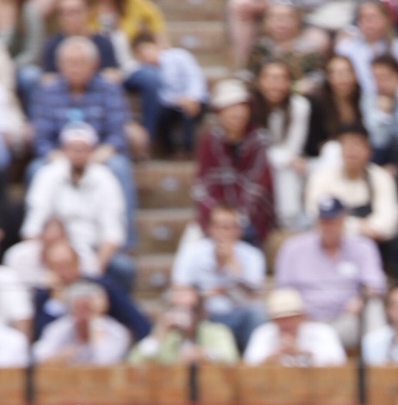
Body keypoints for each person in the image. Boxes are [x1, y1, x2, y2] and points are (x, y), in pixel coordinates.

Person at [28, 35, 136, 236]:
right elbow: (41, 140)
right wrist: (62, 157)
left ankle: (123, 241)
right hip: (60, 156)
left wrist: (95, 156)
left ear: (94, 64)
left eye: (81, 63)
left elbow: (117, 134)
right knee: (36, 169)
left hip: (98, 155)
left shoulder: (109, 89)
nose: (75, 68)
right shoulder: (47, 92)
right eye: (70, 62)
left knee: (119, 167)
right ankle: (41, 237)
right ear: (59, 65)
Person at [22, 122, 130, 290]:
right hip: (55, 252)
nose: (78, 154)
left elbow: (113, 233)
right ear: (64, 150)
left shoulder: (106, 178)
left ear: (92, 151)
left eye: (83, 149)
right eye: (74, 149)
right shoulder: (47, 175)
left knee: (124, 268)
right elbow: (33, 227)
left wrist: (95, 270)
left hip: (94, 250)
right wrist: (51, 261)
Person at [274, 196, 387, 350]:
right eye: (324, 221)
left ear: (343, 220)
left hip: (346, 319)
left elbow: (375, 285)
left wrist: (361, 298)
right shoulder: (293, 248)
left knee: (374, 306)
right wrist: (298, 315)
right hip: (305, 322)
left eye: (333, 221)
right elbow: (283, 291)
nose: (328, 227)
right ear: (317, 222)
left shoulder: (362, 247)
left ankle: (378, 360)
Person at [171, 203, 267, 353]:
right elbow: (180, 290)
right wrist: (205, 297)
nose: (223, 233)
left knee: (257, 312)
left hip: (238, 314)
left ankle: (252, 362)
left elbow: (255, 297)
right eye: (219, 227)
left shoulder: (252, 255)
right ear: (210, 228)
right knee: (182, 313)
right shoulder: (191, 252)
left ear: (239, 230)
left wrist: (232, 262)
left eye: (229, 227)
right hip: (202, 314)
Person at [194, 78, 276, 246]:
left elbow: (260, 188)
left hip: (251, 219)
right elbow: (204, 184)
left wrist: (235, 221)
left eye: (241, 107)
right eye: (230, 108)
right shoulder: (210, 140)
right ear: (219, 112)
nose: (237, 114)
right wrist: (219, 219)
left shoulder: (258, 140)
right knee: (195, 247)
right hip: (216, 218)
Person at [32, 238, 151, 341]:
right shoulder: (43, 296)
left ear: (77, 263)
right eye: (57, 266)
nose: (63, 272)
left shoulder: (102, 287)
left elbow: (135, 319)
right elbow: (41, 338)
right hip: (63, 355)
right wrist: (56, 301)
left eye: (67, 265)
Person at [303, 124, 398, 245]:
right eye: (346, 145)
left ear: (369, 151)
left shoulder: (381, 177)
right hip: (333, 244)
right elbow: (315, 213)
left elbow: (389, 218)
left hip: (373, 243)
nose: (351, 151)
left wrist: (370, 230)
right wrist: (358, 228)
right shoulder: (322, 178)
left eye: (357, 145)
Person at [250, 56, 310, 232]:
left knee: (289, 171)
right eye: (270, 78)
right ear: (259, 81)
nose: (275, 84)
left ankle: (289, 223)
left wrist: (282, 158)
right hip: (254, 165)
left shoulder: (300, 106)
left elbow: (293, 148)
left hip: (288, 165)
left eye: (282, 78)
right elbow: (254, 149)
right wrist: (281, 158)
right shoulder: (250, 107)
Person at [131, 31, 208, 157]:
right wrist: (178, 100)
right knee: (160, 112)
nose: (145, 54)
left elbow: (195, 79)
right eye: (140, 52)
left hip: (194, 100)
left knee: (188, 112)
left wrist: (192, 98)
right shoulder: (146, 72)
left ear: (156, 46)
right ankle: (168, 151)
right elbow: (161, 95)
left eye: (146, 49)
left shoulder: (179, 56)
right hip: (172, 104)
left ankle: (188, 149)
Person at [128, 285, 241, 365]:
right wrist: (157, 338)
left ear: (201, 312)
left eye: (191, 309)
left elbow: (231, 361)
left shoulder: (217, 332)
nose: (184, 314)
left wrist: (205, 355)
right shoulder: (163, 335)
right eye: (178, 308)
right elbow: (133, 363)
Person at [32, 280, 131, 365]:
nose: (84, 315)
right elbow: (38, 357)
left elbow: (104, 361)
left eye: (88, 308)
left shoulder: (117, 332)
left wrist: (95, 331)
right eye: (79, 308)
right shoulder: (58, 328)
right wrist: (63, 356)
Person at [244, 287, 347, 366]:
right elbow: (248, 366)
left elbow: (339, 362)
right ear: (273, 320)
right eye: (280, 319)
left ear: (302, 317)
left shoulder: (323, 332)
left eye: (290, 318)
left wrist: (302, 352)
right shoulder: (263, 333)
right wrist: (274, 355)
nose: (286, 323)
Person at [334, 0, 398, 97]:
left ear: (386, 19)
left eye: (373, 17)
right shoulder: (345, 48)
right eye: (363, 18)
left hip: (391, 98)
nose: (368, 22)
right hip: (356, 98)